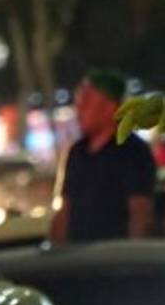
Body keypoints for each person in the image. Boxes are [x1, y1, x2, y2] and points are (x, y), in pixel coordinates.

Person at [50, 71, 157, 244]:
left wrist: (133, 254)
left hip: (114, 254)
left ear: (110, 107)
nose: (78, 110)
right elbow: (65, 209)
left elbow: (140, 212)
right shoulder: (77, 152)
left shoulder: (133, 152)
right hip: (78, 255)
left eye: (86, 103)